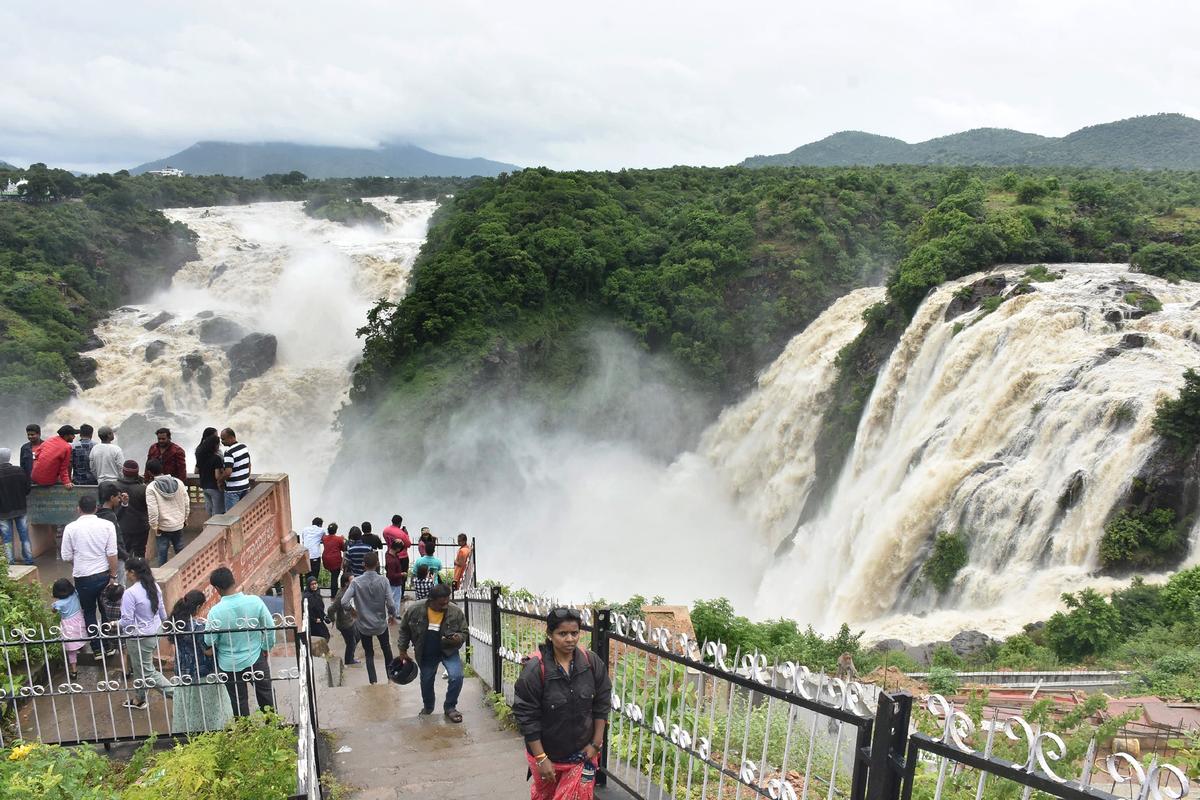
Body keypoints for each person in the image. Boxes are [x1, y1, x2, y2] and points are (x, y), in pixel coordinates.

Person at [513, 608, 612, 797]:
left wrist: (596, 743)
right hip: (547, 755)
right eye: (562, 634)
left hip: (582, 756)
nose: (570, 639)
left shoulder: (591, 663)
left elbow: (602, 703)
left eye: (574, 633)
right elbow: (527, 717)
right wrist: (541, 758)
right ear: (550, 634)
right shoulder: (535, 670)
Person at [204, 566, 276, 716]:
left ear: (217, 588)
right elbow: (270, 627)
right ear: (234, 581)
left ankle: (245, 733)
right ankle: (273, 727)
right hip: (255, 656)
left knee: (238, 702)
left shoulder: (215, 612)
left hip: (229, 663)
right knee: (266, 696)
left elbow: (209, 639)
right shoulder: (255, 602)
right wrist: (266, 647)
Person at [396, 583, 466, 722]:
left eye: (447, 602)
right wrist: (402, 650)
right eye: (441, 604)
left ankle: (450, 707)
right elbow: (404, 630)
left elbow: (464, 631)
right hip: (426, 652)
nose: (445, 606)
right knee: (427, 680)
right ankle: (428, 707)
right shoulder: (415, 610)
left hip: (449, 650)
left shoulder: (455, 611)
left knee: (457, 677)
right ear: (431, 600)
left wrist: (459, 638)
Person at [60, 494, 119, 658]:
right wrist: (113, 576)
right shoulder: (107, 525)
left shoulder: (71, 528)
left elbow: (66, 556)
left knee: (89, 612)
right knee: (106, 611)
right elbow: (112, 554)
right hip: (104, 575)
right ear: (96, 508)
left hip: (83, 578)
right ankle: (109, 646)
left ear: (78, 509)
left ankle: (97, 649)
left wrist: (78, 563)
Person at [169, 589, 234, 733]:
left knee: (189, 707)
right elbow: (207, 651)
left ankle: (190, 732)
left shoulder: (176, 624)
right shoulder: (199, 627)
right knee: (207, 707)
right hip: (202, 672)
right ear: (198, 607)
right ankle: (209, 731)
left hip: (183, 671)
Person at [329, 551, 394, 684]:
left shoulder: (356, 582)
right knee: (387, 650)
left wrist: (352, 611)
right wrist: (392, 614)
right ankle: (391, 679)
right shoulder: (384, 581)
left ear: (363, 565)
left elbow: (344, 602)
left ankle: (373, 682)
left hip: (363, 625)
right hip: (381, 624)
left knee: (369, 654)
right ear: (377, 564)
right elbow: (391, 603)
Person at [118, 557, 172, 711]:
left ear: (133, 572)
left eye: (127, 571)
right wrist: (166, 626)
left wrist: (115, 624)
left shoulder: (130, 593)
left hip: (139, 638)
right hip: (155, 632)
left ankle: (176, 694)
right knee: (139, 667)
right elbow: (161, 610)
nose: (126, 574)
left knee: (147, 671)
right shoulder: (153, 586)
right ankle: (139, 698)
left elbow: (127, 621)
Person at [145, 458, 188, 566]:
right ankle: (183, 572)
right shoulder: (179, 482)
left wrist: (154, 526)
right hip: (178, 524)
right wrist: (185, 518)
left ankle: (163, 576)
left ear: (149, 472)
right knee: (180, 551)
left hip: (162, 527)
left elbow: (153, 510)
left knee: (162, 554)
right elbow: (186, 502)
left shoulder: (151, 488)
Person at [0, 447, 33, 566]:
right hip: (21, 508)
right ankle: (29, 561)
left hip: (3, 512)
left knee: (7, 539)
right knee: (24, 536)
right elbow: (27, 488)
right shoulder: (19, 470)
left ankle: (10, 563)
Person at [51, 578, 86, 678]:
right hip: (79, 618)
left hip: (68, 624)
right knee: (81, 634)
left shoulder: (58, 604)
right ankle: (81, 645)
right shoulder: (75, 594)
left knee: (71, 649)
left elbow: (53, 610)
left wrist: (54, 604)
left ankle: (74, 671)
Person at [116, 461, 149, 559]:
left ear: (123, 471)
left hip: (122, 526)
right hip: (141, 527)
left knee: (124, 553)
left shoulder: (115, 487)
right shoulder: (143, 489)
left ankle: (126, 572)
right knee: (140, 553)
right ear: (137, 473)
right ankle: (140, 572)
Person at [97, 482, 129, 579]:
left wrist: (124, 505)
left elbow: (116, 517)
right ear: (111, 498)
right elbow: (114, 542)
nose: (119, 500)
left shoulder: (102, 512)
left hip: (107, 556)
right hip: (117, 557)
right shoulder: (109, 516)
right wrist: (126, 556)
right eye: (118, 497)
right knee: (120, 586)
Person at [330, 571, 358, 665]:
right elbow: (331, 609)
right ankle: (349, 661)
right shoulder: (341, 596)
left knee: (356, 637)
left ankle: (351, 657)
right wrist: (332, 619)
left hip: (350, 621)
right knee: (351, 643)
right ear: (346, 583)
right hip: (345, 624)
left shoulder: (348, 591)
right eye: (352, 580)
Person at [220, 428, 251, 511]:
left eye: (223, 439)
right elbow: (249, 465)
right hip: (245, 486)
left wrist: (220, 480)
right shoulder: (244, 447)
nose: (221, 442)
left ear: (231, 438)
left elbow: (228, 472)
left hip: (232, 491)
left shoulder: (228, 452)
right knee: (244, 513)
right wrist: (246, 478)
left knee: (231, 516)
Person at [194, 432, 224, 516]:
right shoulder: (216, 458)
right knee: (217, 512)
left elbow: (196, 471)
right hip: (214, 488)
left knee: (209, 509)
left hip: (204, 486)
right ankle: (216, 528)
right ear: (215, 445)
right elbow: (217, 476)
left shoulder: (201, 457)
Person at [321, 522, 345, 595]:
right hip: (335, 561)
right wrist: (343, 539)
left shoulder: (324, 538)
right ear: (336, 530)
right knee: (334, 578)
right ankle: (333, 595)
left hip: (326, 560)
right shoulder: (339, 539)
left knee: (333, 575)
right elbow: (344, 549)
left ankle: (335, 593)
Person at [304, 576, 331, 641]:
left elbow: (320, 608)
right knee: (322, 637)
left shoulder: (317, 594)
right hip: (313, 623)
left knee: (325, 636)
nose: (314, 586)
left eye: (315, 583)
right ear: (308, 585)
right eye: (312, 584)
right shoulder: (307, 597)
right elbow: (306, 611)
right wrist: (314, 619)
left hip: (319, 620)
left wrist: (324, 616)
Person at [385, 538, 408, 611]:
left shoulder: (389, 554)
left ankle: (393, 616)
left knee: (393, 600)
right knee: (395, 601)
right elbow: (391, 575)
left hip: (393, 583)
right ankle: (395, 616)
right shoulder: (392, 561)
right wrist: (401, 574)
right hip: (395, 584)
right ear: (398, 548)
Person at [300, 517, 324, 583]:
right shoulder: (321, 530)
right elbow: (324, 540)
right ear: (320, 525)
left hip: (305, 556)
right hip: (315, 557)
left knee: (308, 576)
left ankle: (307, 591)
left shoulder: (305, 529)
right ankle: (314, 592)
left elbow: (304, 540)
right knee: (314, 577)